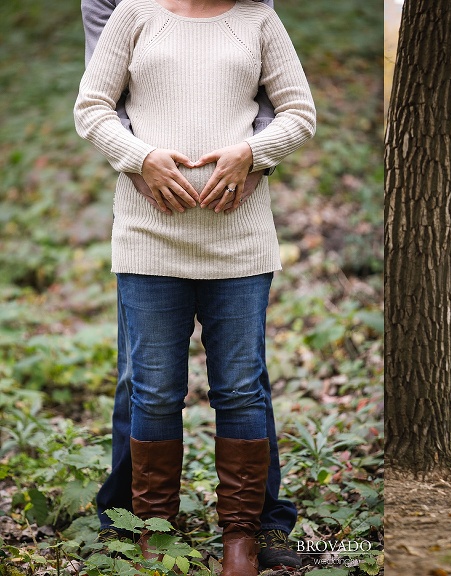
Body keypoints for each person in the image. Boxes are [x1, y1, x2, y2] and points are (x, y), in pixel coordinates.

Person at [74, 0, 315, 574]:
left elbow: (298, 112)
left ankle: (241, 536)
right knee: (154, 392)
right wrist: (141, 157)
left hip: (239, 244)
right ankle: (154, 529)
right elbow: (92, 107)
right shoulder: (133, 13)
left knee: (240, 389)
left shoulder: (257, 19)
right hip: (148, 240)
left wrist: (255, 152)